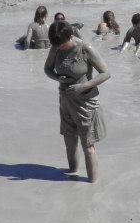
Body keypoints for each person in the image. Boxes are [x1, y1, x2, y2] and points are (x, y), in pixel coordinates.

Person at [44, 21, 110, 183]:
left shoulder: (85, 48)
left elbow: (106, 73)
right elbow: (47, 69)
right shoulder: (56, 46)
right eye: (56, 45)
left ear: (70, 37)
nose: (59, 48)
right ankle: (72, 175)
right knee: (69, 141)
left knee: (88, 146)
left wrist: (83, 86)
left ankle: (91, 186)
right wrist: (57, 77)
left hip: (85, 103)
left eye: (61, 45)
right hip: (65, 100)